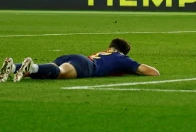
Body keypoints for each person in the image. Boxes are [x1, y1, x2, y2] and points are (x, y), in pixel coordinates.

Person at [1, 38, 160, 82]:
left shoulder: (103, 53)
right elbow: (153, 73)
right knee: (60, 73)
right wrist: (129, 68)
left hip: (74, 57)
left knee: (47, 72)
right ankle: (31, 68)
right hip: (86, 65)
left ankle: (14, 67)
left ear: (110, 47)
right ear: (123, 52)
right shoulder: (122, 59)